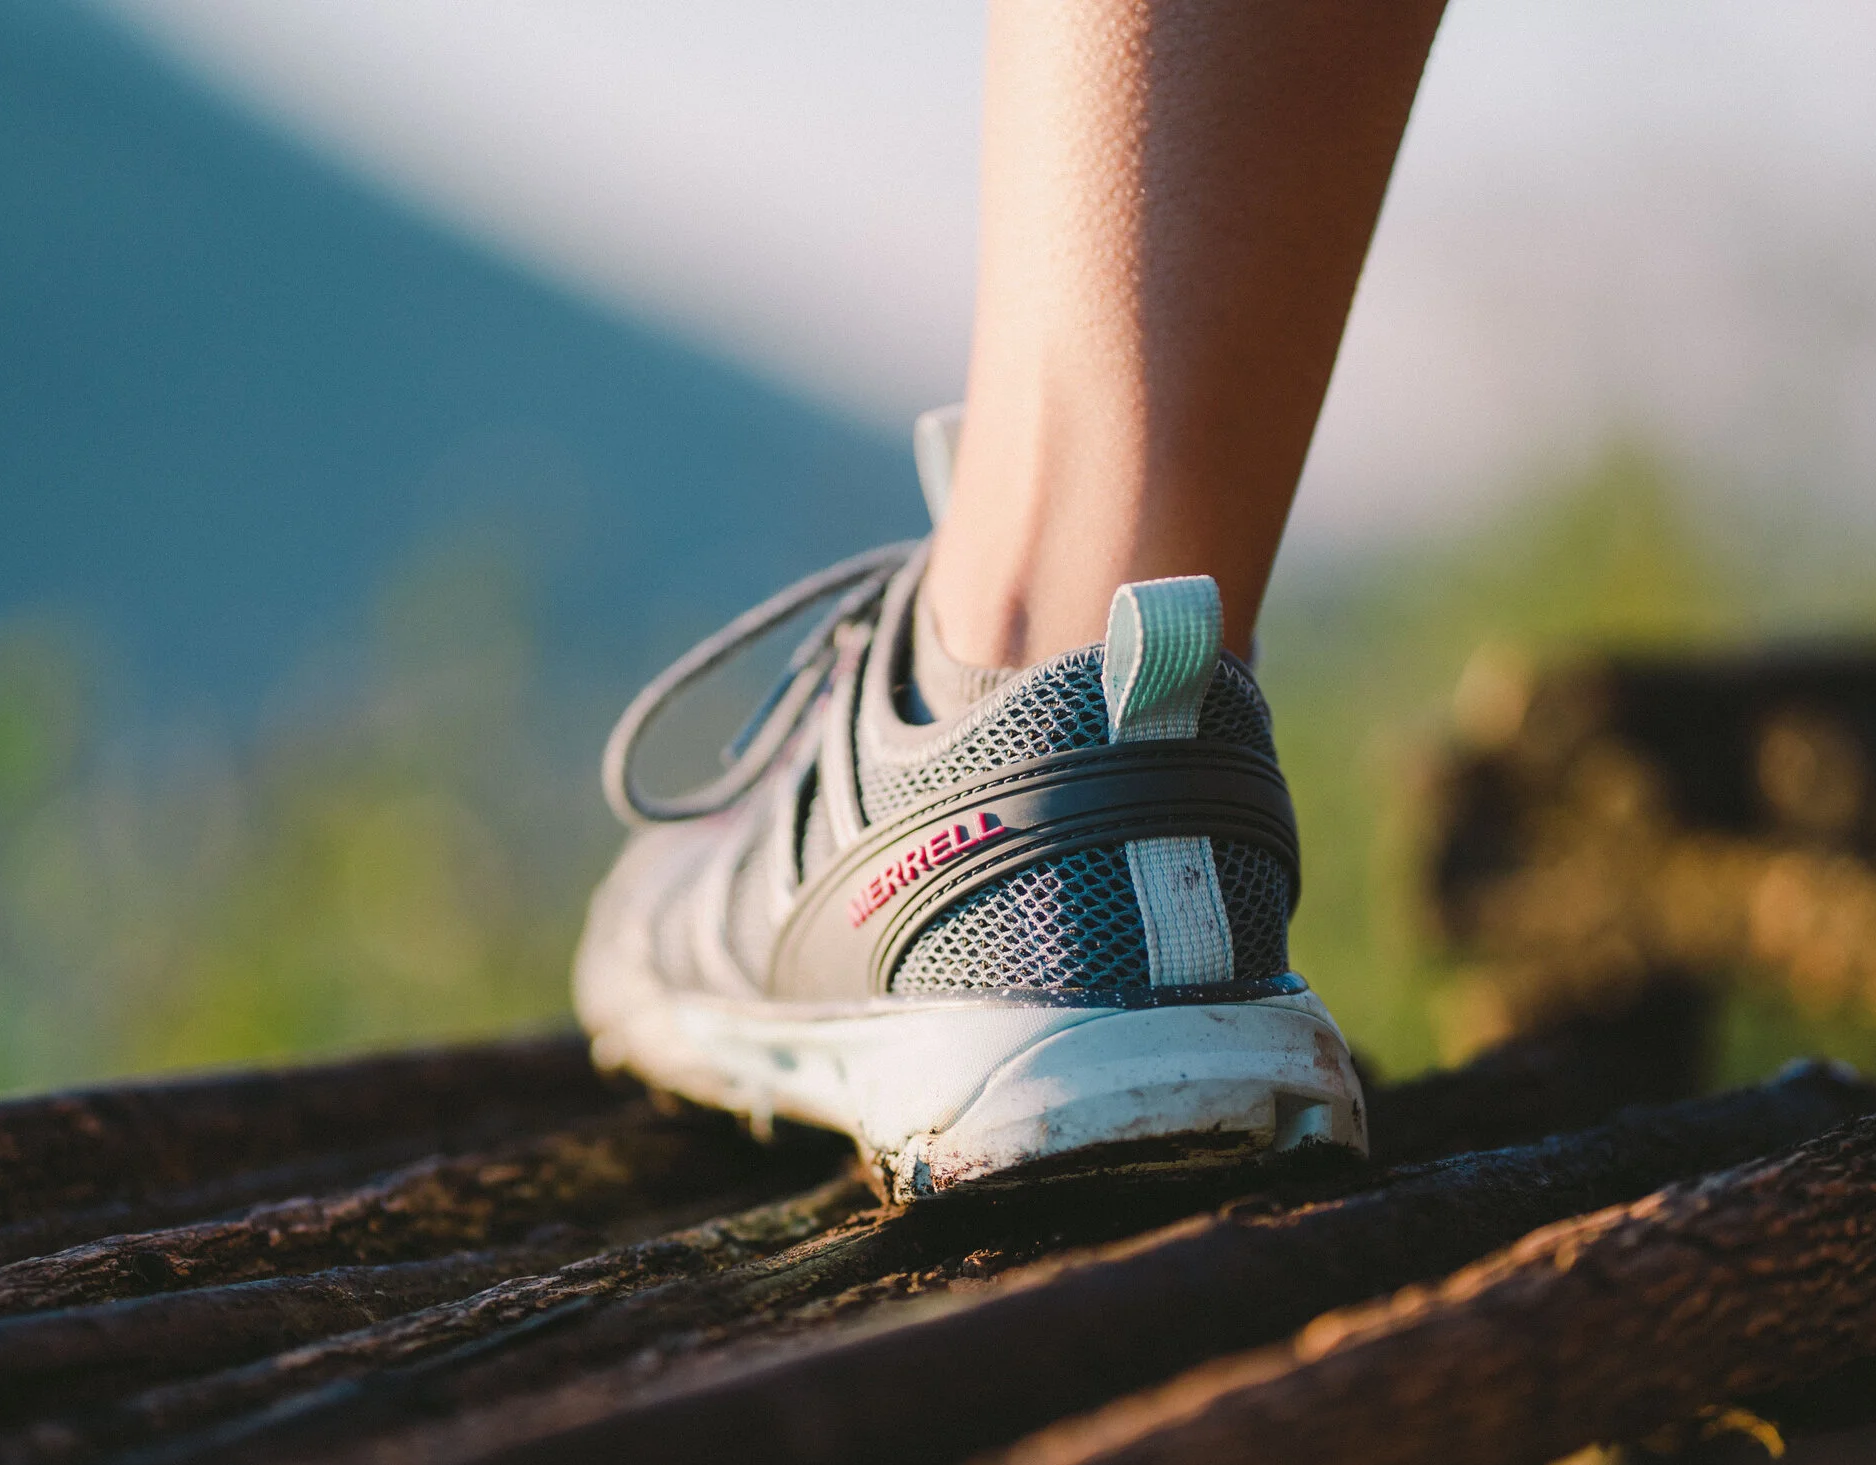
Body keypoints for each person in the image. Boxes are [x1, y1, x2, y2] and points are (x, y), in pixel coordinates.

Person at [576, 0, 1449, 1199]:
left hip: (1009, 858)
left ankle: (1008, 647)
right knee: (1134, 634)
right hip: (1189, 847)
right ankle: (1129, 762)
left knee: (1047, 614)